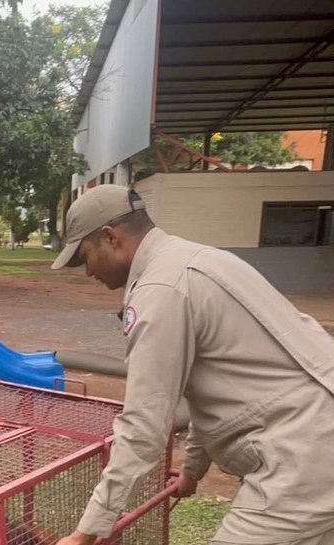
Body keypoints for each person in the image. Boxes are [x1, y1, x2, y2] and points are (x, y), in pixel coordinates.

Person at [51, 185, 334, 545]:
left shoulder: (161, 290)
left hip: (302, 457)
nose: (87, 271)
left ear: (110, 237)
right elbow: (213, 388)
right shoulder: (204, 258)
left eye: (84, 257)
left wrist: (85, 533)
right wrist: (193, 470)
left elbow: (144, 426)